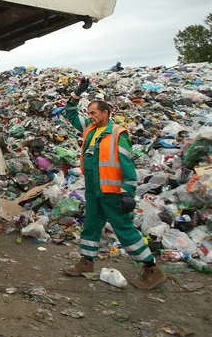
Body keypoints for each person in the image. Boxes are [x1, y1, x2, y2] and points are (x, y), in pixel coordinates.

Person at [62, 77, 167, 290]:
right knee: (91, 224)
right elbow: (70, 113)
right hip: (93, 189)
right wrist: (75, 95)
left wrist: (128, 192)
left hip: (112, 191)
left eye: (94, 113)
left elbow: (126, 165)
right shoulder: (90, 130)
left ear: (105, 114)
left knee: (124, 229)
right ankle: (86, 262)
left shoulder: (118, 134)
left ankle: (151, 269)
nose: (90, 116)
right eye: (89, 113)